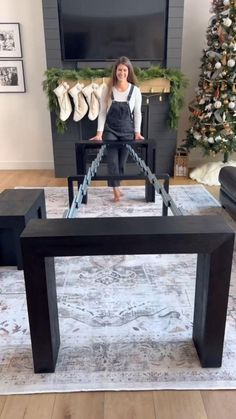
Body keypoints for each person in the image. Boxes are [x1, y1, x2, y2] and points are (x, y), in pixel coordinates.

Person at [89, 56, 144, 202]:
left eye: (125, 70)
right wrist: (99, 133)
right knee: (112, 161)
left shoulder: (135, 91)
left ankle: (117, 186)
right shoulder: (107, 89)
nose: (122, 73)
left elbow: (137, 113)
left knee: (121, 162)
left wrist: (137, 132)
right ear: (115, 71)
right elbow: (102, 112)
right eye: (119, 70)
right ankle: (115, 190)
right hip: (110, 130)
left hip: (128, 131)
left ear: (128, 71)